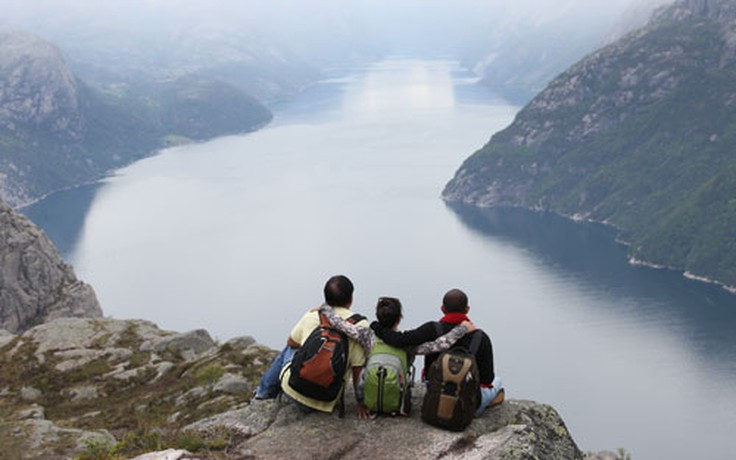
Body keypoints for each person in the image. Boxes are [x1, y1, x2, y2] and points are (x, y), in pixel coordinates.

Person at [318, 296, 476, 416]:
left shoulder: (367, 336)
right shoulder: (408, 346)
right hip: (397, 403)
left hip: (369, 399)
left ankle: (367, 403)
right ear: (399, 318)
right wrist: (461, 329)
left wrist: (325, 308)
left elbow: (341, 324)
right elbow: (440, 345)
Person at [372, 288, 504, 416]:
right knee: (497, 382)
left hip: (435, 399)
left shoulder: (432, 329)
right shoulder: (481, 337)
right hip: (469, 406)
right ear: (467, 309)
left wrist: (376, 326)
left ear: (443, 309)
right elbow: (487, 379)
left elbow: (400, 340)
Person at [253, 275, 371, 418]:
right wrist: (361, 404)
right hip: (327, 399)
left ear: (326, 298)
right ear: (351, 300)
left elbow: (291, 342)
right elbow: (358, 370)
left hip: (293, 390)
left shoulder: (313, 315)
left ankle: (263, 394)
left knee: (290, 348)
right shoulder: (361, 327)